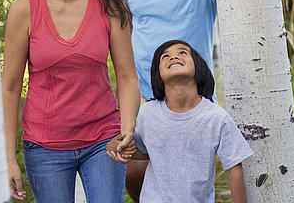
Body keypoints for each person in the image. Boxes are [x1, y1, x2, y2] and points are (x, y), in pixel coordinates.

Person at [1, 0, 141, 202]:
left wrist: (126, 130)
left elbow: (127, 77)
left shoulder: (111, 6)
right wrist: (7, 158)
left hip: (103, 140)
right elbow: (10, 87)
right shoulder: (24, 9)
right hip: (45, 146)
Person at [117, 0, 217, 200]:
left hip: (190, 92)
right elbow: (123, 24)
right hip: (144, 93)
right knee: (132, 171)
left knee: (186, 182)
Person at [106, 40, 253, 203]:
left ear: (199, 67)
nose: (173, 56)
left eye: (182, 52)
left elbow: (234, 169)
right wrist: (118, 147)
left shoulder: (216, 117)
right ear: (158, 74)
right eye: (165, 56)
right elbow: (142, 150)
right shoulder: (148, 113)